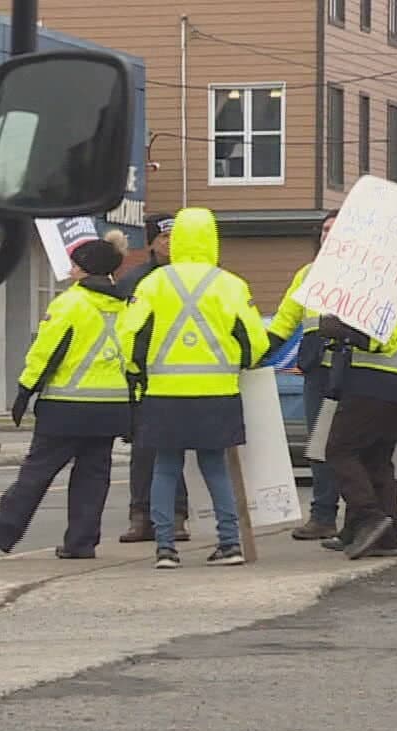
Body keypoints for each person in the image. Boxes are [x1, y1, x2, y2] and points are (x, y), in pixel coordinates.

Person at [0, 233, 146, 558]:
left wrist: (25, 391)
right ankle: (81, 543)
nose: (71, 269)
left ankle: (3, 528)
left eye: (75, 264)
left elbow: (46, 353)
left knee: (37, 472)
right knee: (93, 479)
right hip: (111, 408)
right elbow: (135, 358)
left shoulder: (70, 303)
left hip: (66, 406)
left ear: (84, 268)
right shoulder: (127, 306)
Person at [128, 207, 271, 569]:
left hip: (164, 392)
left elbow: (130, 336)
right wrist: (240, 363)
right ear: (212, 239)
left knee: (164, 468)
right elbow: (255, 340)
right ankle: (229, 543)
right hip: (217, 392)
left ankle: (165, 549)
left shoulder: (153, 284)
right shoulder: (231, 284)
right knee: (216, 468)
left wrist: (136, 372)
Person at [309, 284, 397, 559]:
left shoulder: (385, 286)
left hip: (373, 381)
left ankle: (370, 518)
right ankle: (386, 538)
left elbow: (377, 339)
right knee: (375, 459)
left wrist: (337, 328)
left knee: (339, 450)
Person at [116, 215, 191, 542]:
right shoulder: (134, 282)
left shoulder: (193, 279)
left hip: (186, 378)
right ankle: (140, 515)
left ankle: (176, 517)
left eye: (177, 237)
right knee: (144, 450)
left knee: (174, 449)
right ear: (151, 242)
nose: (171, 244)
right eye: (165, 238)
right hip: (143, 380)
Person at [268, 210, 342, 541]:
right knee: (320, 446)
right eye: (324, 230)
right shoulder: (308, 274)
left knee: (357, 448)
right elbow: (285, 321)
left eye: (334, 230)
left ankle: (362, 516)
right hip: (320, 375)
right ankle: (323, 516)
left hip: (357, 373)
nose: (327, 235)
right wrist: (258, 353)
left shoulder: (365, 275)